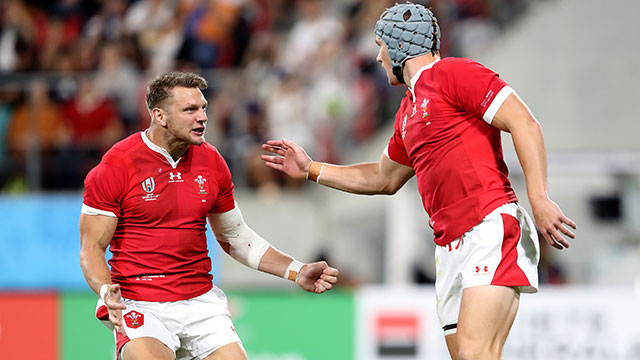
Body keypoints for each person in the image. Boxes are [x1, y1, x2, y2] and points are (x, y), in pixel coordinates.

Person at [261, 3, 575, 360]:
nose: (378, 58)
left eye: (380, 46)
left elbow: (524, 122)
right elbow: (382, 178)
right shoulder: (408, 112)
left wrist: (539, 199)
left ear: (397, 45)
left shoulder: (455, 73)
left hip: (490, 228)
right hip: (449, 249)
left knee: (476, 354)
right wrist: (311, 169)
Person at [79, 71, 339, 360]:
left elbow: (235, 237)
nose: (202, 117)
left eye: (203, 108)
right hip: (140, 302)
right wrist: (106, 292)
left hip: (200, 302)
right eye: (190, 110)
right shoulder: (117, 165)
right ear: (160, 116)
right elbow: (91, 247)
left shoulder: (212, 161)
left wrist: (297, 270)